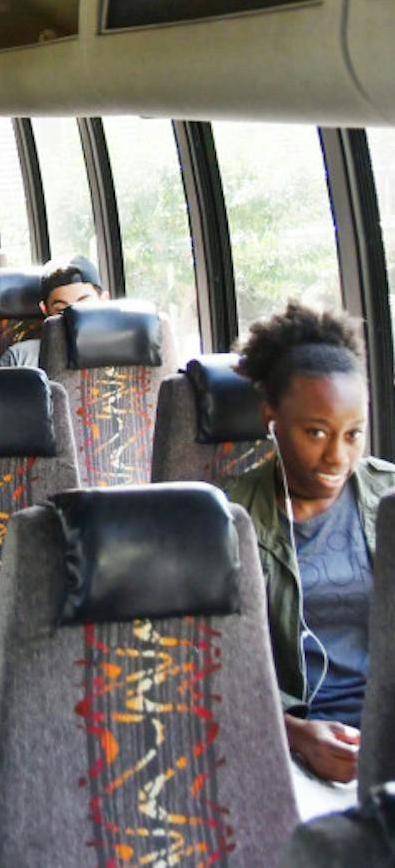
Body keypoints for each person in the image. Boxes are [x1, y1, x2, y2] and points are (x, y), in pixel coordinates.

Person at [223, 301, 393, 819]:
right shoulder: (228, 518)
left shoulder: (389, 498)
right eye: (316, 432)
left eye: (352, 434)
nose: (337, 457)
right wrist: (295, 732)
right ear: (271, 416)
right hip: (292, 746)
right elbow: (220, 666)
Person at [0, 257, 107, 368]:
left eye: (84, 306)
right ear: (45, 310)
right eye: (62, 310)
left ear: (104, 301)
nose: (75, 318)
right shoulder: (20, 359)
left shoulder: (123, 352)